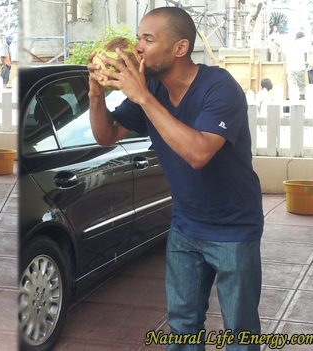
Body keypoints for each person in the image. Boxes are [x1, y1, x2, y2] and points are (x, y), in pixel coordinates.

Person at [87, 7, 263, 350]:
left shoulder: (219, 87)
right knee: (182, 328)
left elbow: (198, 154)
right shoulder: (150, 88)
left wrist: (143, 97)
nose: (138, 47)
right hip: (185, 227)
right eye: (138, 37)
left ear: (180, 49)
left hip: (234, 229)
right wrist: (96, 95)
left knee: (240, 332)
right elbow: (106, 134)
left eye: (148, 40)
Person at [279, 31, 309, 99]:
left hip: (290, 68)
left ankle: (292, 99)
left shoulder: (289, 44)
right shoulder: (302, 44)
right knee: (301, 85)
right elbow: (311, 44)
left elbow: (279, 44)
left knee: (291, 85)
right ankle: (302, 99)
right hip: (300, 68)